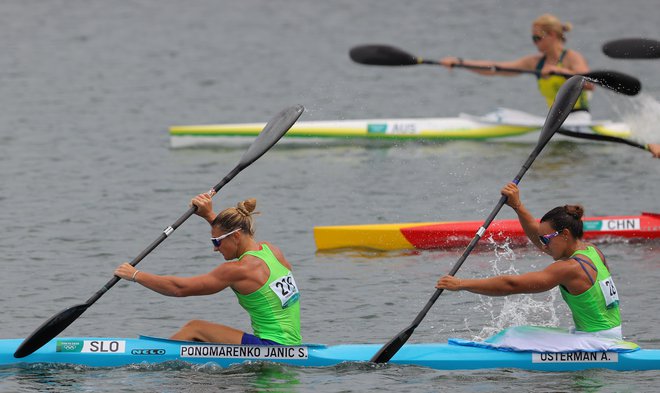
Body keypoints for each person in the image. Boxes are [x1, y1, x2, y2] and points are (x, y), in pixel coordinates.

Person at [435, 182, 630, 351]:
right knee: (520, 332)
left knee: (512, 337)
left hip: (597, 344)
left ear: (565, 234)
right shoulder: (592, 252)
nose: (543, 245)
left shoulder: (570, 268)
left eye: (547, 239)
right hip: (609, 336)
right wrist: (517, 206)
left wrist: (461, 284)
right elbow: (539, 240)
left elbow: (512, 285)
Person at [114, 192, 302, 345]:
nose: (214, 248)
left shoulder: (238, 270)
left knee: (194, 328)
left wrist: (135, 275)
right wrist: (209, 215)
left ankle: (154, 358)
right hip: (291, 345)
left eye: (217, 242)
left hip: (272, 348)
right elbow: (232, 234)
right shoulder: (271, 251)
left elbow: (180, 289)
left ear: (235, 237)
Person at [440, 13, 592, 121]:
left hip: (579, 118)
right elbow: (496, 68)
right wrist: (460, 63)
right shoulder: (535, 62)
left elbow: (590, 84)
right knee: (503, 114)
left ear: (551, 35)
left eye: (536, 38)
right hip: (554, 121)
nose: (534, 42)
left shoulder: (572, 57)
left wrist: (560, 71)